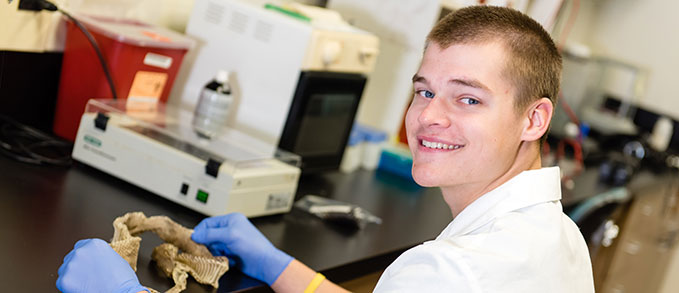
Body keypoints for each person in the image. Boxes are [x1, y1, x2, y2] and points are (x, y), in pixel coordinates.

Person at [56, 5, 594, 293]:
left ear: (534, 118)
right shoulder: (558, 234)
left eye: (468, 99)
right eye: (425, 90)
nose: (429, 115)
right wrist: (281, 268)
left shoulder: (450, 272)